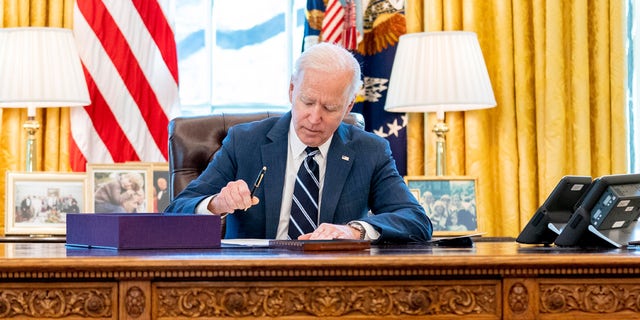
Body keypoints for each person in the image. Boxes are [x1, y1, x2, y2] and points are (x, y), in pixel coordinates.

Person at [165, 42, 432, 243]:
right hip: (252, 285)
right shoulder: (244, 142)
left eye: (329, 108)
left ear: (348, 105)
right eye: (307, 101)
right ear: (292, 90)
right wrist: (216, 204)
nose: (315, 118)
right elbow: (175, 212)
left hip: (335, 287)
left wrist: (354, 230)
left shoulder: (370, 151)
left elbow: (415, 220)